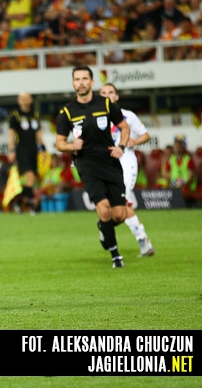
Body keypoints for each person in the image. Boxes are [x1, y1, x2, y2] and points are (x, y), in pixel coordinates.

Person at [55, 66, 131, 269]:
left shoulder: (106, 104)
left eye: (84, 79)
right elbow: (59, 143)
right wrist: (71, 146)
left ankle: (103, 227)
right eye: (77, 79)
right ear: (73, 83)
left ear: (92, 82)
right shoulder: (67, 112)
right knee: (104, 209)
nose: (81, 82)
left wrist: (121, 147)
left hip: (110, 162)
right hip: (86, 164)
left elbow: (124, 127)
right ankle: (116, 256)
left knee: (119, 215)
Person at [99, 83, 155, 257]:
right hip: (104, 166)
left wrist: (134, 141)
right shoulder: (94, 117)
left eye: (111, 92)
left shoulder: (127, 116)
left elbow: (146, 135)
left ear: (116, 97)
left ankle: (143, 242)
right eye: (103, 93)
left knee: (122, 202)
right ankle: (105, 225)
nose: (107, 95)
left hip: (125, 164)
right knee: (112, 208)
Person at [8, 92, 45, 213]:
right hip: (21, 149)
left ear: (31, 100)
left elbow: (38, 133)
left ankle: (20, 203)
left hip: (33, 149)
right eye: (22, 99)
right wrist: (11, 150)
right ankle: (31, 204)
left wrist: (43, 148)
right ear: (18, 101)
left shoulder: (35, 114)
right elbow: (11, 133)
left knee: (32, 179)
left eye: (27, 98)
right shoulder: (15, 115)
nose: (25, 101)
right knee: (30, 176)